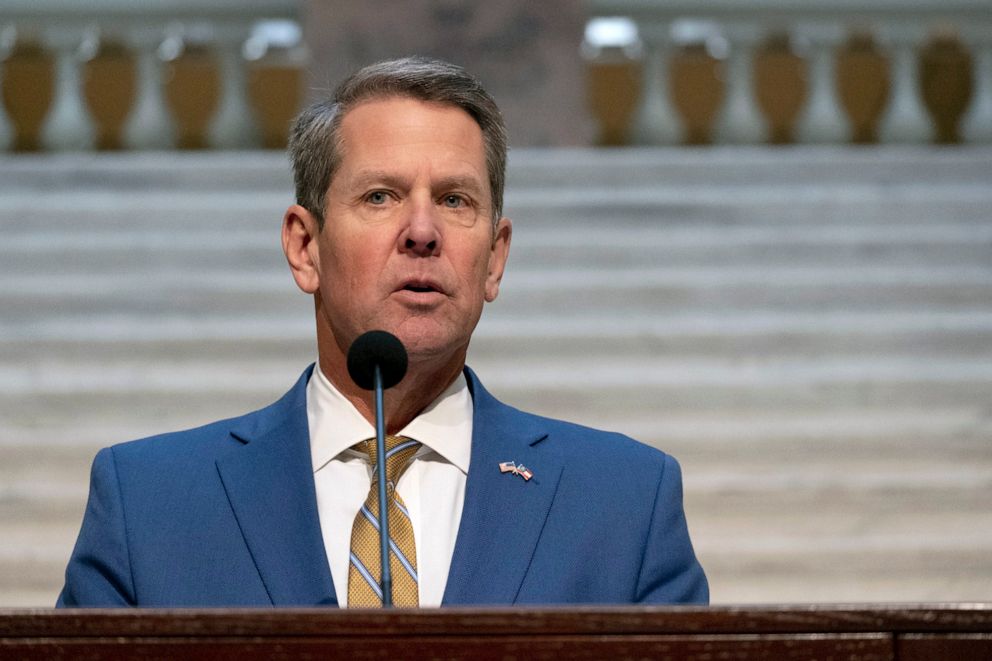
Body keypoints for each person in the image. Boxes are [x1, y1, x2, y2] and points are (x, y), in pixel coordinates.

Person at [57, 57, 708, 607]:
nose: (422, 232)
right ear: (305, 247)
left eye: (455, 200)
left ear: (496, 257)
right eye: (380, 197)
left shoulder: (625, 504)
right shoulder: (148, 504)